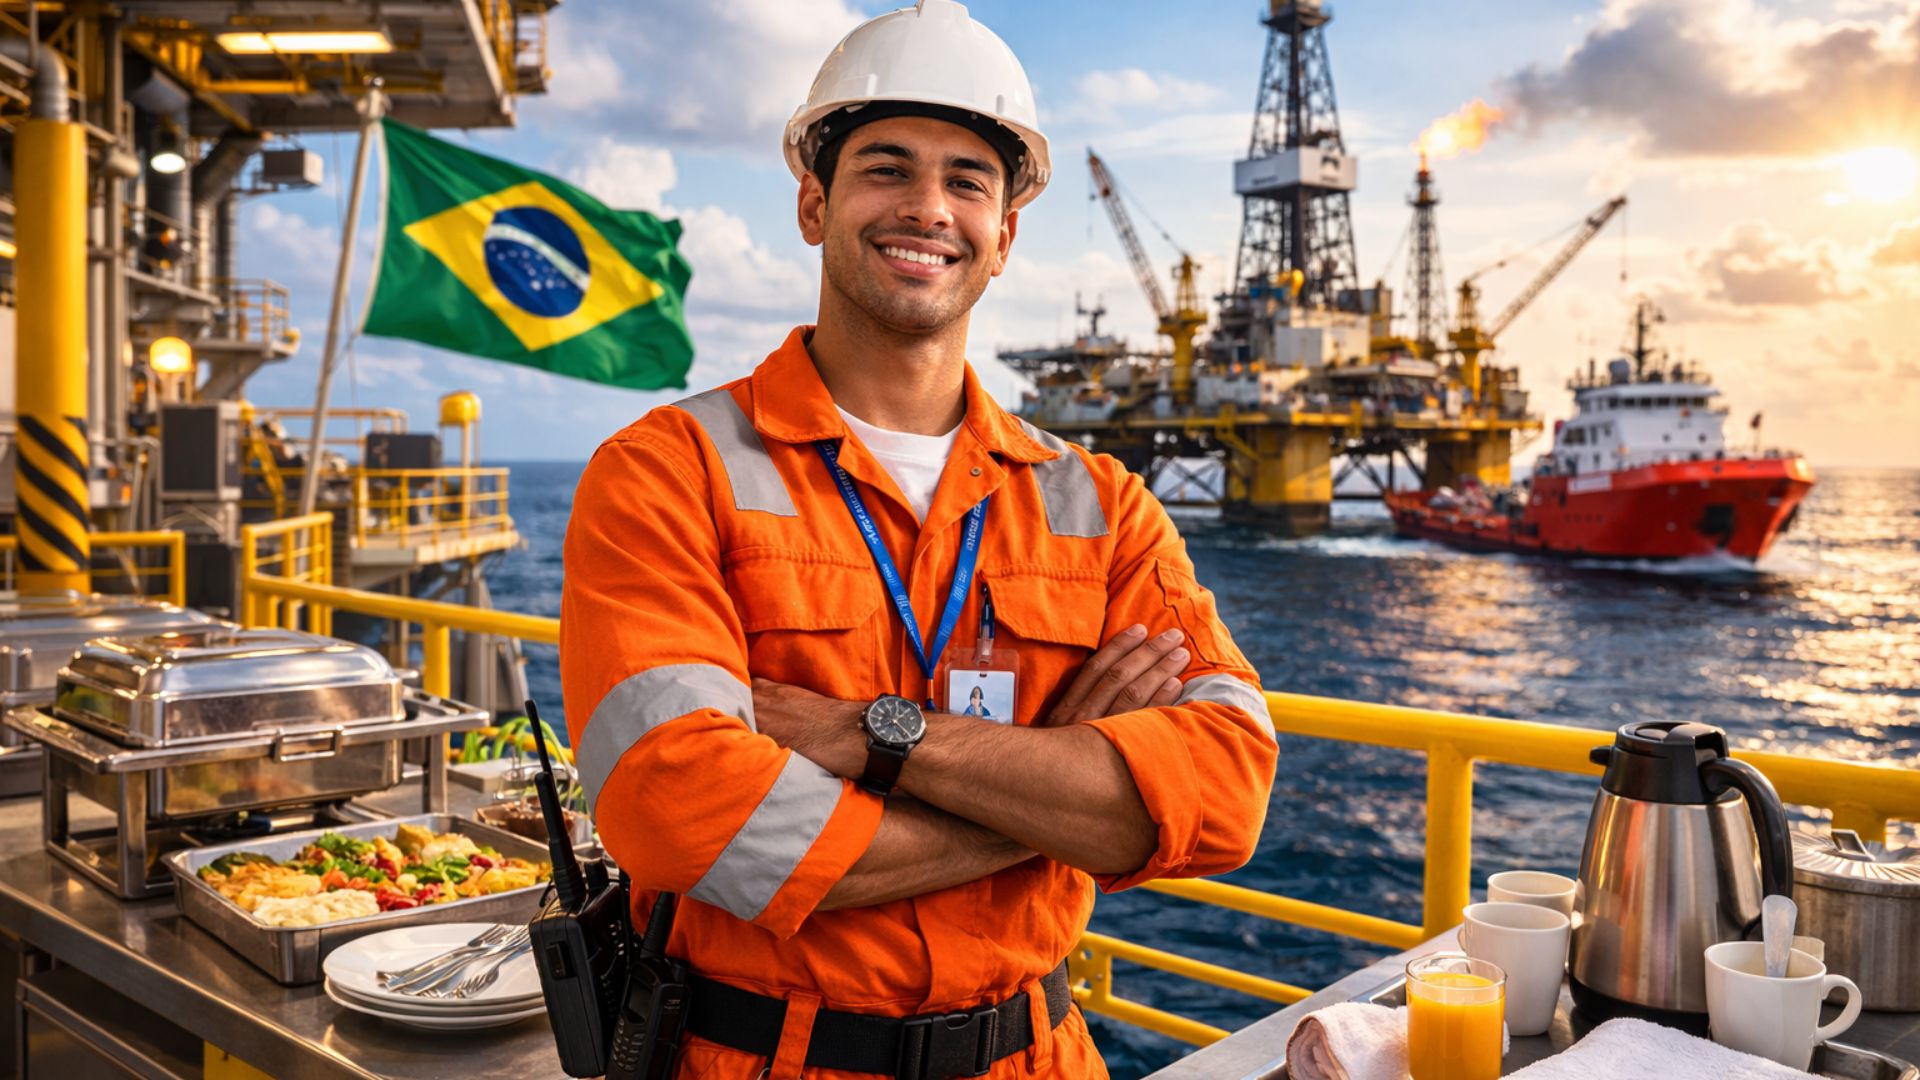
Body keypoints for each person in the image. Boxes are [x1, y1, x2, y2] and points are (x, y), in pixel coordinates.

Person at [559, 4, 1277, 1076]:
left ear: (1005, 232)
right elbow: (680, 813)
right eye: (886, 169)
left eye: (967, 181)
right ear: (813, 203)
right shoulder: (669, 469)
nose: (928, 209)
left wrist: (875, 737)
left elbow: (1225, 789)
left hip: (1036, 1055)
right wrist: (1053, 799)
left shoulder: (1099, 499)